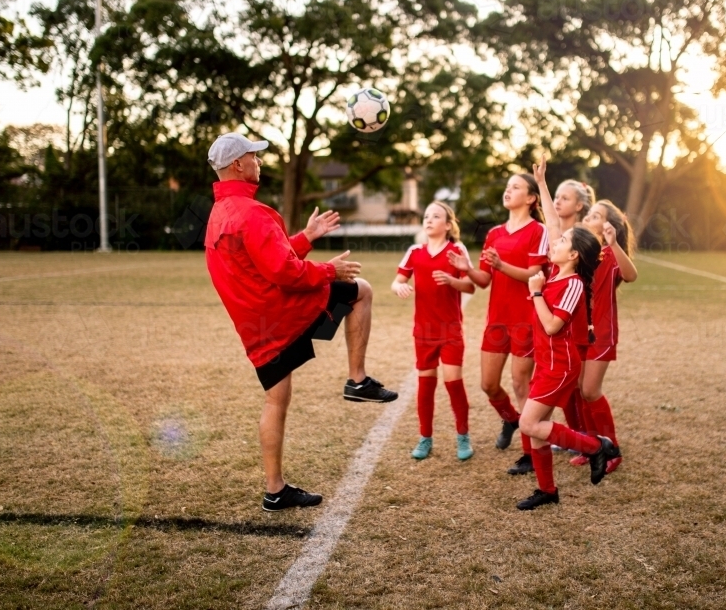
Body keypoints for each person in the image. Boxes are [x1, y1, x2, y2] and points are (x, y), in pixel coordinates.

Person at [204, 133, 397, 512]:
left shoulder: (219, 216)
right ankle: (357, 380)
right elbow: (285, 272)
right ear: (238, 165)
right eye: (254, 157)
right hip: (282, 312)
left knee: (276, 400)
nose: (259, 162)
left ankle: (275, 490)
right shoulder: (252, 212)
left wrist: (306, 237)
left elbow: (268, 256)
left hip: (256, 328)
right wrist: (329, 270)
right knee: (361, 290)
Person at [449, 174, 549, 476]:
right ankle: (510, 419)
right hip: (497, 321)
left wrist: (502, 265)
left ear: (532, 198)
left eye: (516, 187)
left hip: (527, 320)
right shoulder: (493, 233)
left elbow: (535, 274)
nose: (508, 190)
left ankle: (530, 455)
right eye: (507, 186)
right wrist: (467, 268)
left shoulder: (538, 231)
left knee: (521, 384)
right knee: (488, 385)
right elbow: (483, 281)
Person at [517, 222, 619, 510]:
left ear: (573, 254)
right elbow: (552, 223)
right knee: (537, 430)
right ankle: (547, 490)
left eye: (562, 240)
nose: (555, 242)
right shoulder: (552, 277)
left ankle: (597, 446)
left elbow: (552, 326)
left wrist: (536, 293)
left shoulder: (573, 283)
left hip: (559, 368)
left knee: (529, 424)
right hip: (546, 364)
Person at [392, 202, 475, 461]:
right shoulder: (414, 251)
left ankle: (463, 436)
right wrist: (399, 287)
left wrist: (452, 281)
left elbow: (471, 286)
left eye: (436, 216)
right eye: (426, 216)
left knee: (453, 384)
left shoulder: (456, 250)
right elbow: (398, 280)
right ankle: (425, 437)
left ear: (448, 225)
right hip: (424, 331)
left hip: (450, 330)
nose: (428, 220)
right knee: (425, 387)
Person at [569, 198, 638, 471]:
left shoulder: (610, 254)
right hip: (576, 332)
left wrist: (613, 243)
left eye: (595, 216)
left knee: (590, 389)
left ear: (609, 225)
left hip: (602, 333)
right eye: (589, 214)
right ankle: (591, 446)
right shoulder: (577, 252)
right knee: (579, 389)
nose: (587, 218)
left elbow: (631, 275)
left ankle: (613, 449)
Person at [545, 177, 596, 441]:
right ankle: (577, 437)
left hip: (573, 316)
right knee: (565, 385)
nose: (558, 201)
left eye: (564, 198)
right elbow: (552, 222)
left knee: (579, 385)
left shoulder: (581, 237)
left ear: (579, 205)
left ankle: (591, 438)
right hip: (555, 312)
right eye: (556, 196)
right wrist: (543, 181)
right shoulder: (558, 237)